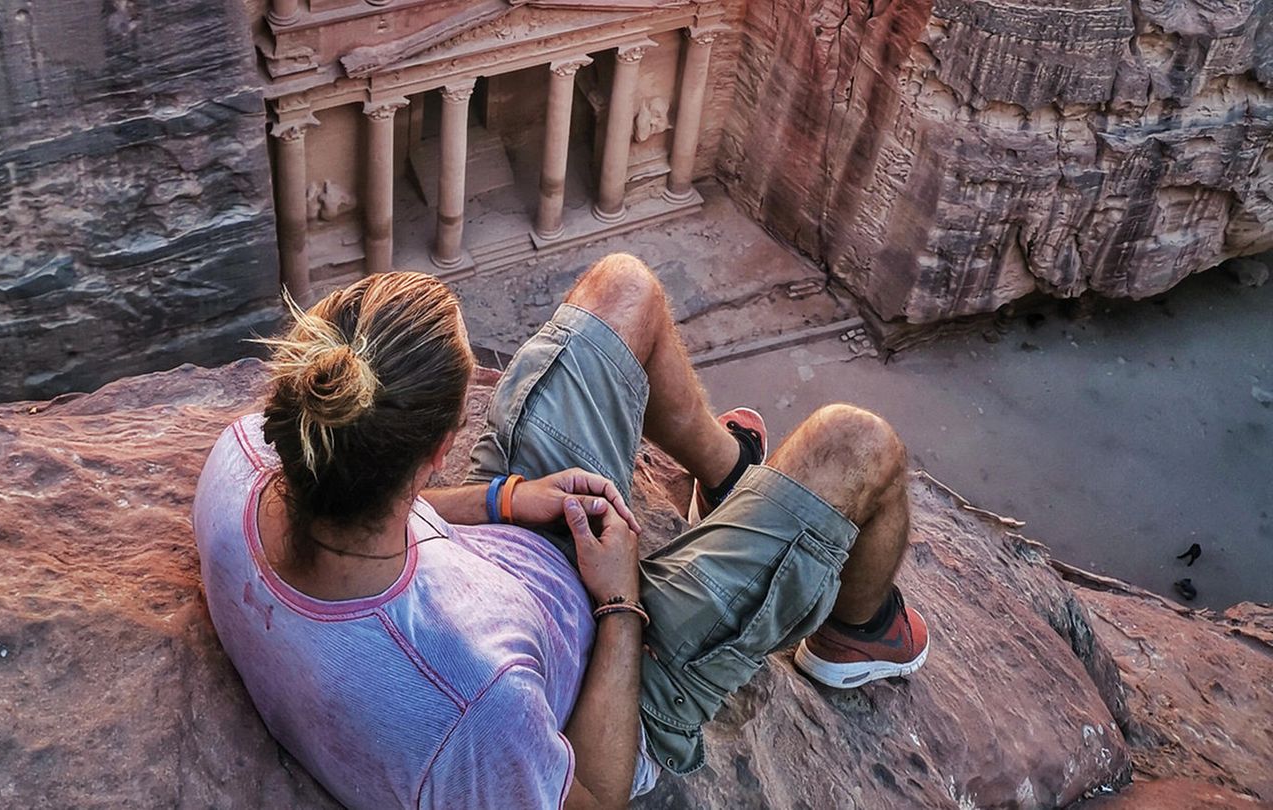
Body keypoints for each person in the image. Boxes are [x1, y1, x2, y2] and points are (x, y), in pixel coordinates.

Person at [192, 254, 929, 809]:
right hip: (615, 673)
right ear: (438, 451)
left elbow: (371, 515)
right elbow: (593, 798)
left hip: (507, 555)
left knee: (624, 289)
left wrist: (509, 499)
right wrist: (616, 605)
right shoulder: (476, 702)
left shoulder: (249, 456)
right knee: (856, 444)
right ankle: (855, 633)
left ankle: (730, 471)